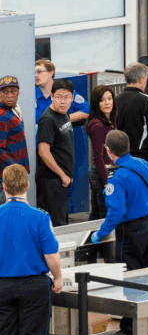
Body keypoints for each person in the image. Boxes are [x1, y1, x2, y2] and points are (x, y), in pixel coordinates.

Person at [0, 165, 64, 335]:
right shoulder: (40, 217)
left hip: (2, 285)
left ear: (4, 187)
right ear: (27, 186)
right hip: (33, 286)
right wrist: (58, 278)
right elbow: (51, 256)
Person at [90, 131, 148, 335]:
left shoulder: (117, 177)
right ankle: (145, 323)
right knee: (145, 275)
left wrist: (100, 234)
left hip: (131, 232)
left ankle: (130, 329)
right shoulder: (143, 164)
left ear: (108, 151)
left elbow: (116, 212)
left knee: (131, 278)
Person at [114, 62, 148, 262]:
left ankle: (132, 251)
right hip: (144, 162)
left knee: (130, 206)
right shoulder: (146, 100)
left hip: (122, 163)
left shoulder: (116, 100)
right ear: (142, 79)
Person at [36, 78, 76, 226]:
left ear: (72, 97)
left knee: (62, 220)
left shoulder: (64, 113)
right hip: (52, 181)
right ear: (52, 96)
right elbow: (43, 152)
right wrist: (62, 175)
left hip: (62, 180)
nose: (63, 101)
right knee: (56, 225)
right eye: (58, 97)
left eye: (66, 97)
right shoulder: (48, 119)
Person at [85, 86, 117, 221]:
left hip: (106, 170)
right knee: (103, 213)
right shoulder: (97, 126)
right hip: (101, 172)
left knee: (97, 213)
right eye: (102, 100)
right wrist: (106, 181)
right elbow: (98, 156)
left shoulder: (109, 120)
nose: (107, 103)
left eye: (109, 99)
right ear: (96, 103)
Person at [0, 76, 30, 205]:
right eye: (5, 92)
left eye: (13, 91)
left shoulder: (12, 111)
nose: (9, 95)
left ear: (18, 92)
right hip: (7, 179)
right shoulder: (2, 115)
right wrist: (15, 169)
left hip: (12, 177)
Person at [34, 60, 89, 124]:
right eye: (34, 72)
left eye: (39, 72)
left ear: (51, 73)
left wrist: (62, 119)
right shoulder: (31, 96)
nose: (35, 75)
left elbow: (87, 110)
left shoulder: (65, 92)